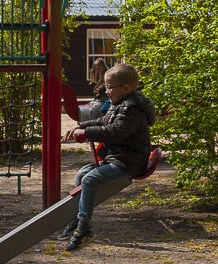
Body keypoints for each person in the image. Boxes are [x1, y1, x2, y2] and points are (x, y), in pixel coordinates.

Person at [58, 63, 155, 252]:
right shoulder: (119, 104)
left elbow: (114, 133)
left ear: (125, 88)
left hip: (129, 162)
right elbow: (103, 121)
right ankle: (77, 219)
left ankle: (84, 229)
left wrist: (86, 134)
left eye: (110, 87)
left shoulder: (132, 110)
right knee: (82, 173)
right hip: (117, 158)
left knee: (90, 179)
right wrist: (81, 126)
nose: (106, 91)